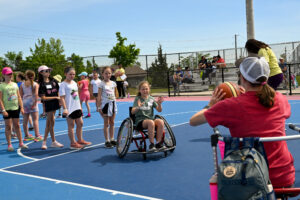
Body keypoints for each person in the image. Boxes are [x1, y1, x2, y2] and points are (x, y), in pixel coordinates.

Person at [189, 57, 295, 188]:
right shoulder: (280, 99)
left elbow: (193, 121)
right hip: (284, 176)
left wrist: (211, 105)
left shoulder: (231, 106)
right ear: (266, 78)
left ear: (242, 78)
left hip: (251, 178)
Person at [60, 67, 92, 149]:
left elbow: (75, 95)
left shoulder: (74, 83)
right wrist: (65, 109)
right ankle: (73, 143)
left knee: (80, 123)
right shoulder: (63, 85)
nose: (72, 76)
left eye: (73, 74)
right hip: (69, 108)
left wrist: (79, 106)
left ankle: (80, 140)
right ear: (65, 74)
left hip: (76, 107)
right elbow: (62, 98)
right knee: (71, 125)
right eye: (70, 74)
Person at [131, 81, 165, 151]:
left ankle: (158, 143)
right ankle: (152, 144)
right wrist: (138, 107)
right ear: (139, 90)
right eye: (143, 89)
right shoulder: (137, 99)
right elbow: (132, 111)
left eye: (146, 89)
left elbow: (159, 110)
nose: (145, 90)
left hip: (151, 119)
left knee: (161, 122)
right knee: (151, 122)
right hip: (141, 121)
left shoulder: (151, 99)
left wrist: (159, 104)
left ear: (149, 89)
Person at [0, 67, 28, 151]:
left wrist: (22, 107)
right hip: (7, 109)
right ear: (3, 75)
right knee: (8, 126)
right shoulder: (1, 86)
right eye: (8, 74)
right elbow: (0, 99)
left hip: (15, 108)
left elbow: (19, 96)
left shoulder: (15, 84)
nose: (10, 75)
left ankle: (21, 143)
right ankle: (9, 144)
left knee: (17, 126)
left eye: (11, 74)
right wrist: (3, 110)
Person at [38, 65, 63, 150]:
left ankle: (53, 141)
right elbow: (43, 98)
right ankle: (45, 141)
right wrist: (55, 97)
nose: (48, 72)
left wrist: (59, 99)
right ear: (41, 73)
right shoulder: (41, 84)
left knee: (51, 123)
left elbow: (59, 91)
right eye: (46, 71)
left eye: (49, 71)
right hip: (49, 105)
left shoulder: (53, 80)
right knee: (49, 123)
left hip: (55, 104)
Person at [97, 67, 117, 148]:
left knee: (112, 122)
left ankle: (112, 139)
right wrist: (99, 107)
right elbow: (99, 96)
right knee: (106, 123)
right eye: (106, 73)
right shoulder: (101, 84)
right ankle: (107, 140)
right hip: (105, 105)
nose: (108, 75)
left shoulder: (113, 83)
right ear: (102, 74)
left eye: (109, 73)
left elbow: (115, 94)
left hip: (113, 104)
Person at [20, 70, 43, 142]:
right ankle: (37, 135)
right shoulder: (36, 84)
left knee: (25, 120)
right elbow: (36, 95)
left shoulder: (22, 84)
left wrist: (21, 106)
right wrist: (34, 103)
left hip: (25, 102)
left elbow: (20, 95)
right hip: (32, 102)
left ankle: (26, 135)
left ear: (26, 76)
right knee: (35, 120)